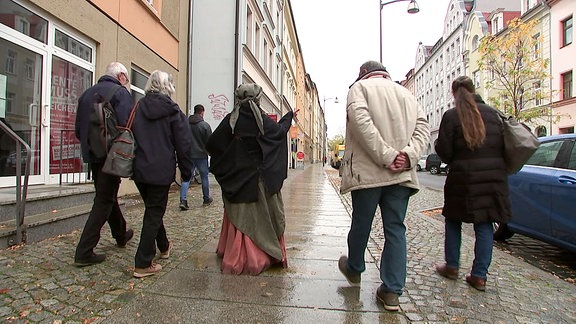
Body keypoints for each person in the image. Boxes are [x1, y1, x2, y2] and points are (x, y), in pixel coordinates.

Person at [338, 61, 430, 311]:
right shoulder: (407, 94)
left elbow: (361, 122)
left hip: (369, 173)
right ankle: (391, 291)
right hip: (401, 175)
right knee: (396, 229)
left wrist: (387, 155)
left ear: (363, 75)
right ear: (385, 74)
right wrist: (408, 155)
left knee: (361, 222)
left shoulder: (359, 89)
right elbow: (423, 128)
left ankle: (355, 267)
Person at [206, 83, 295, 275]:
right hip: (261, 181)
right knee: (266, 218)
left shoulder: (232, 119)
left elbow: (212, 143)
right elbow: (279, 133)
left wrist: (229, 159)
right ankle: (261, 256)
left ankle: (236, 256)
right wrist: (289, 117)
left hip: (238, 180)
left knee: (241, 218)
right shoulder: (261, 120)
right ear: (257, 99)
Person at [434, 76, 511, 291]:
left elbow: (446, 153)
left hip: (463, 179)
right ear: (473, 89)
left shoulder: (451, 116)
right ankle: (479, 276)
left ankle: (452, 266)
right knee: (484, 225)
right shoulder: (494, 114)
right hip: (493, 180)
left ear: (454, 93)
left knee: (452, 221)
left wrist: (438, 145)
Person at [130, 70, 193, 278]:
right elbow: (183, 145)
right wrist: (186, 173)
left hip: (139, 169)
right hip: (160, 170)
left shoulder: (138, 106)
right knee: (154, 212)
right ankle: (143, 262)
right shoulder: (173, 111)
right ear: (169, 87)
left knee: (153, 209)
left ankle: (164, 246)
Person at [73, 62, 135, 266]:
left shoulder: (86, 94)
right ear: (122, 76)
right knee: (103, 200)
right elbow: (127, 126)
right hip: (111, 154)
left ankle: (120, 233)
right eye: (126, 78)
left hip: (93, 154)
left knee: (106, 195)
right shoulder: (120, 93)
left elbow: (78, 130)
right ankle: (84, 251)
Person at [179, 104, 213, 210]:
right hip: (201, 155)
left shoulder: (185, 124)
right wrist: (210, 152)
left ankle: (183, 200)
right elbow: (209, 141)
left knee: (187, 178)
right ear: (202, 112)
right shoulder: (204, 125)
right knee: (204, 177)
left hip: (188, 155)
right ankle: (206, 198)